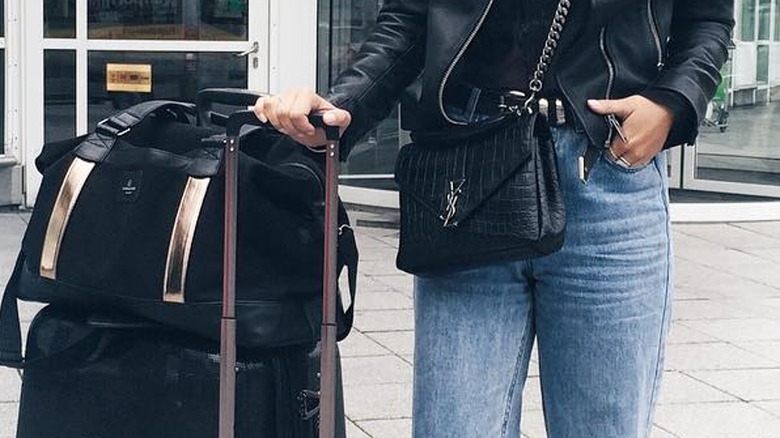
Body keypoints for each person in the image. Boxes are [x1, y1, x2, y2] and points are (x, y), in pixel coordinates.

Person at [254, 1, 734, 436]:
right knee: (453, 427)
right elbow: (409, 21)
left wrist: (672, 102)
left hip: (605, 170)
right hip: (471, 174)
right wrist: (344, 108)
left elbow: (707, 19)